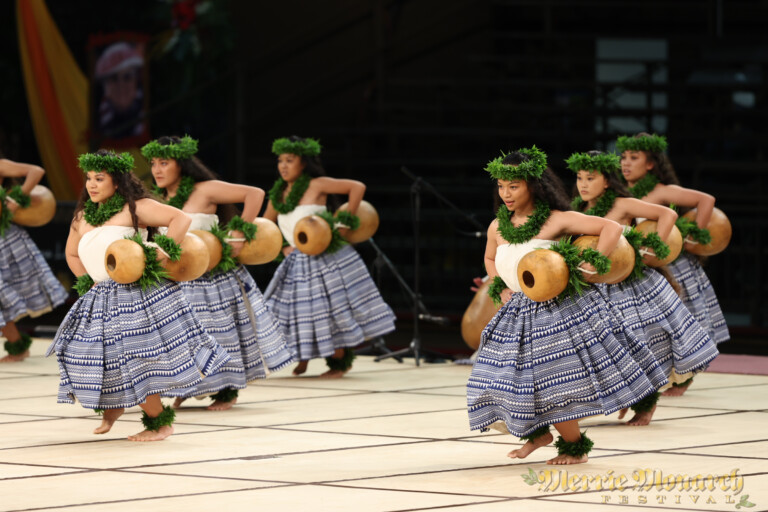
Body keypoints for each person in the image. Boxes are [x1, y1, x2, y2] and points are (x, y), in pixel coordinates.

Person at [467, 146, 668, 465]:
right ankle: (538, 433)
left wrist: (596, 260)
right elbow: (490, 258)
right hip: (519, 313)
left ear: (533, 185)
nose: (505, 193)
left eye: (514, 186)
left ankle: (575, 447)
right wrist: (499, 283)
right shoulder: (497, 226)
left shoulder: (556, 220)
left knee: (555, 381)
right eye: (501, 186)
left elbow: (611, 228)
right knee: (503, 379)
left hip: (557, 313)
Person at [45, 150, 230, 441]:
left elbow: (180, 218)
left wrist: (163, 251)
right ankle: (114, 405)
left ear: (117, 182)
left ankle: (160, 423)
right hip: (101, 297)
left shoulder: (135, 208)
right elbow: (72, 253)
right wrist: (88, 281)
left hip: (135, 296)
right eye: (89, 178)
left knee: (136, 359)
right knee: (87, 356)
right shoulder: (81, 217)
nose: (91, 184)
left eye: (99, 179)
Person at [567, 150, 719, 423]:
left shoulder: (622, 204)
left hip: (628, 287)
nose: (583, 184)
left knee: (635, 344)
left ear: (607, 181)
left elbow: (667, 215)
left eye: (591, 178)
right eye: (579, 178)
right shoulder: (577, 209)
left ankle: (646, 403)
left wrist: (654, 247)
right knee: (599, 347)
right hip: (593, 288)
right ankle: (615, 397)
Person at [143, 135, 293, 410]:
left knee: (218, 333)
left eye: (164, 163)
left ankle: (226, 390)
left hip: (212, 280)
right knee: (180, 337)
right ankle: (189, 386)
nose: (157, 170)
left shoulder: (205, 190)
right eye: (153, 163)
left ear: (181, 164)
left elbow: (255, 194)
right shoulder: (159, 199)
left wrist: (240, 232)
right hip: (178, 280)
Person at [263, 136, 396, 377]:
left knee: (330, 311)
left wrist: (344, 222)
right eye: (280, 161)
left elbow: (357, 187)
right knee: (296, 312)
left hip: (325, 259)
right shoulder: (277, 195)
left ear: (304, 163)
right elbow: (265, 225)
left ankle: (339, 362)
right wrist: (282, 246)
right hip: (297, 262)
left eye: (290, 160)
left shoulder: (317, 185)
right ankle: (303, 356)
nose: (283, 166)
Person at [617, 133, 729, 395]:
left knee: (684, 320)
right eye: (623, 157)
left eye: (634, 157)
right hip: (645, 267)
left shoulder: (661, 191)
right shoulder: (621, 194)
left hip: (674, 265)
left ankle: (685, 377)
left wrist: (693, 236)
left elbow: (706, 200)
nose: (626, 163)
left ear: (650, 164)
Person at [0, 158, 68, 362]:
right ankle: (17, 346)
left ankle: (17, 348)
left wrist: (15, 201)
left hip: (5, 239)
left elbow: (36, 171)